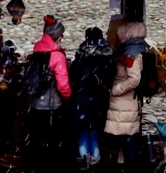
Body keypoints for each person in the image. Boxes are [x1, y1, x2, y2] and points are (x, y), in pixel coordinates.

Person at [28, 15, 72, 173]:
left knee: (37, 139)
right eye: (61, 35)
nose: (62, 38)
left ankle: (36, 167)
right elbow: (63, 85)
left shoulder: (38, 50)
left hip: (35, 104)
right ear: (56, 36)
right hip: (52, 106)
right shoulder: (57, 55)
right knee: (52, 142)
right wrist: (69, 97)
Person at [104, 19, 148, 173]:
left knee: (127, 141)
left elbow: (134, 79)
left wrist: (116, 89)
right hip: (124, 104)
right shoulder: (130, 50)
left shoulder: (132, 53)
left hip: (125, 103)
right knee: (127, 140)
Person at [71, 27, 113, 167]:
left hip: (82, 98)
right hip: (99, 100)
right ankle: (95, 160)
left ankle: (84, 160)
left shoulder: (82, 54)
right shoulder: (107, 56)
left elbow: (73, 75)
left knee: (83, 130)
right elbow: (110, 79)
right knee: (94, 130)